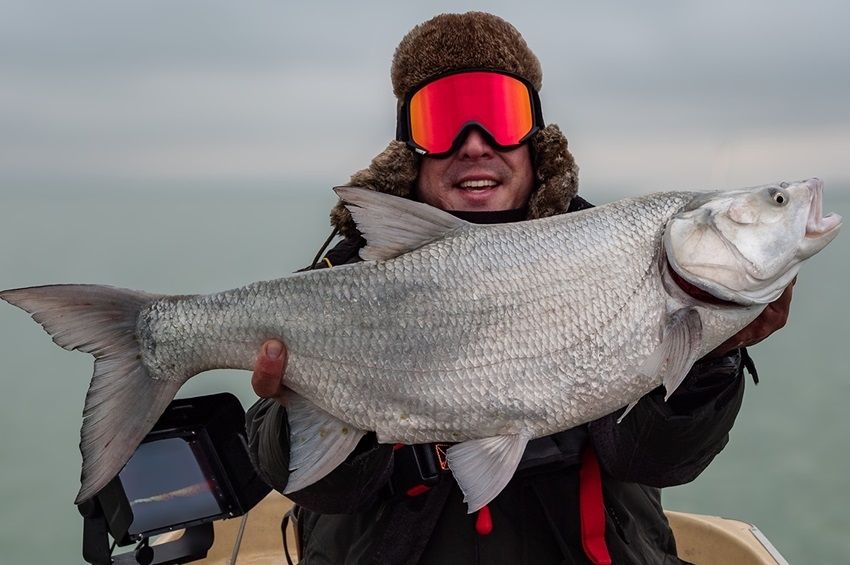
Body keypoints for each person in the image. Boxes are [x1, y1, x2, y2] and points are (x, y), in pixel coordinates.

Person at [246, 12, 794, 565]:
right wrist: (306, 401)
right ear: (409, 149)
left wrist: (711, 360)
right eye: (442, 122)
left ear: (535, 140)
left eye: (500, 116)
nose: (475, 144)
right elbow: (320, 489)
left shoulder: (613, 260)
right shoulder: (342, 280)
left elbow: (654, 461)